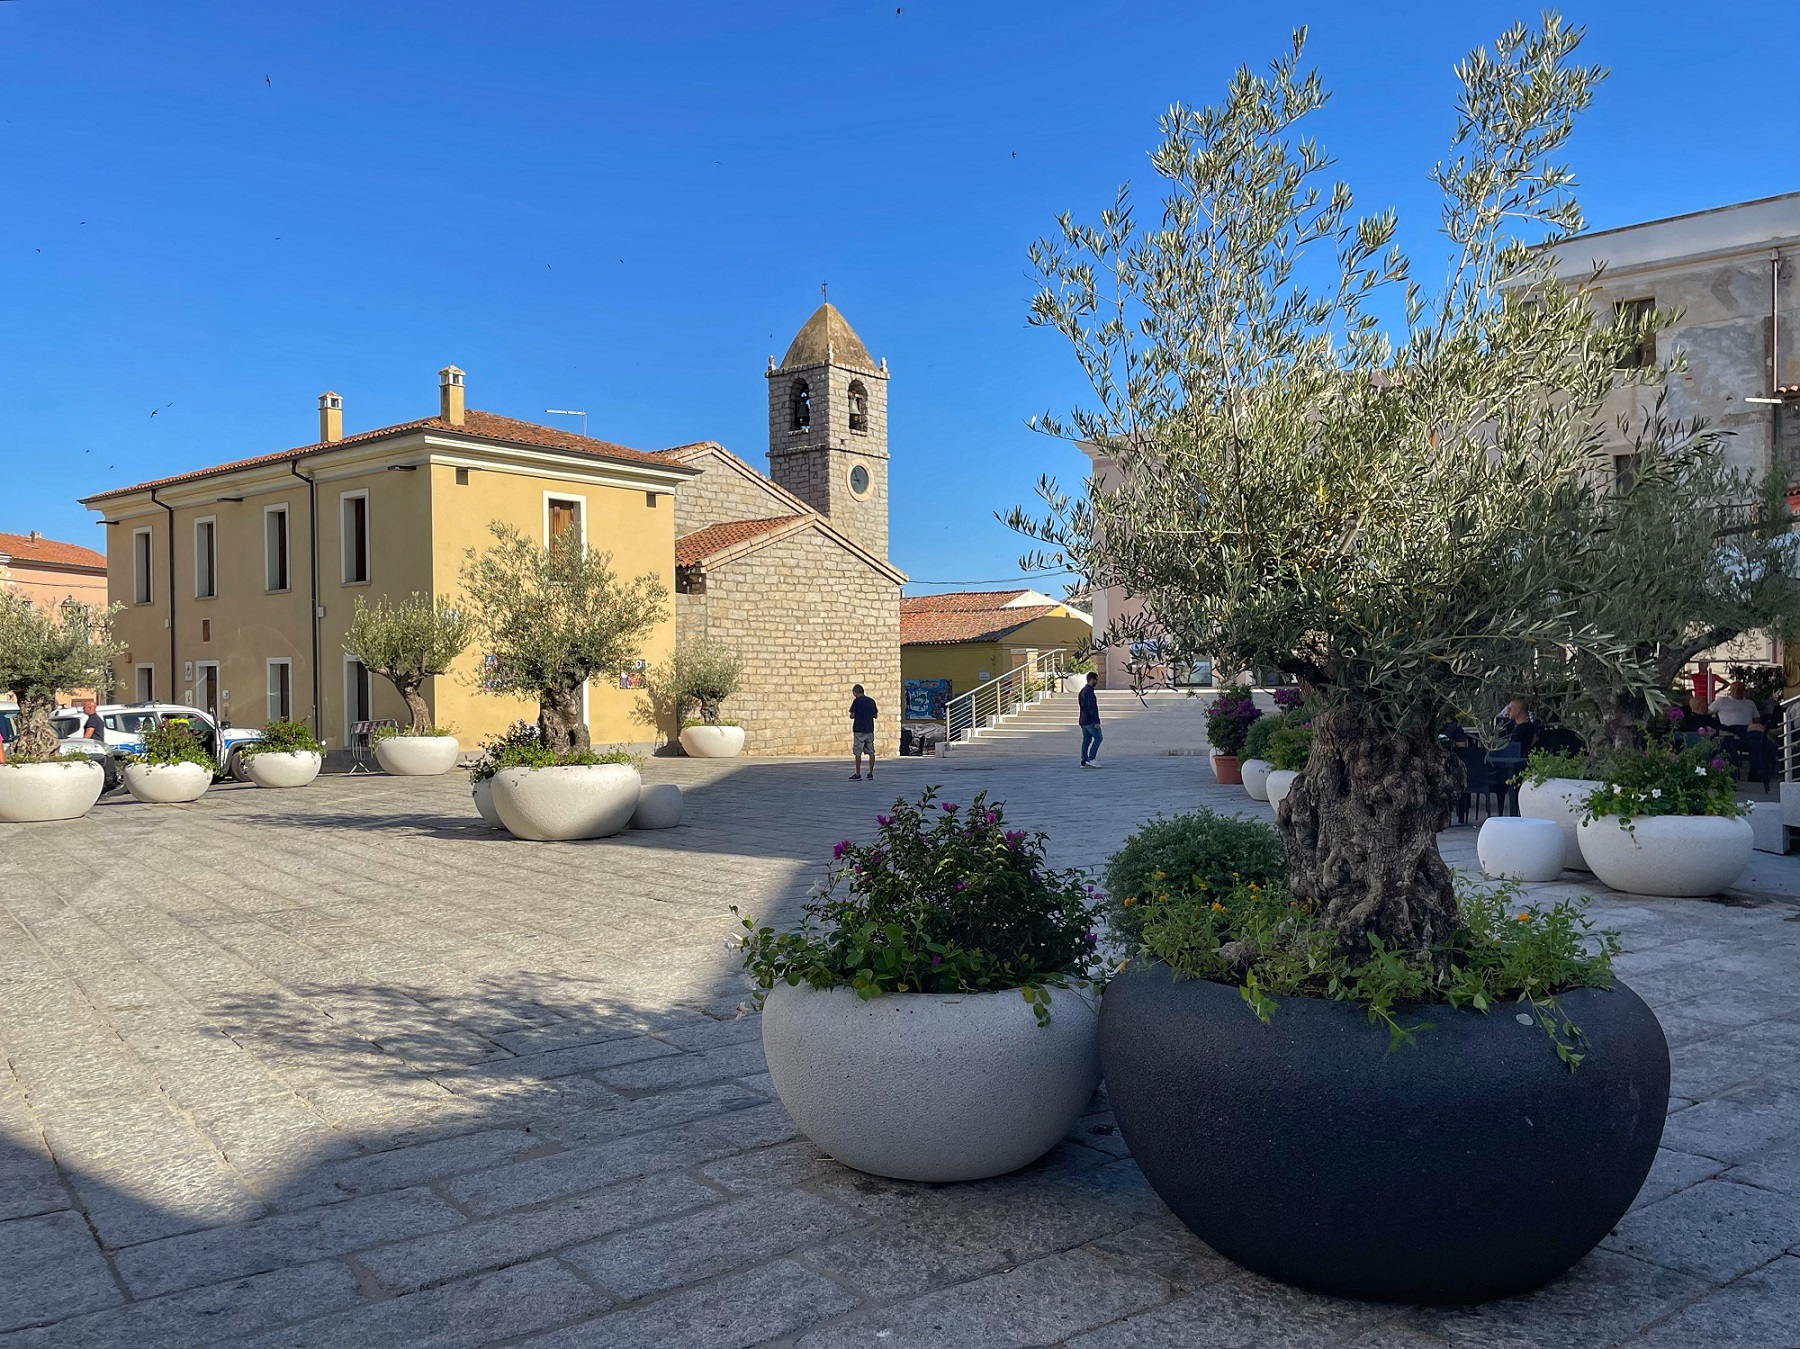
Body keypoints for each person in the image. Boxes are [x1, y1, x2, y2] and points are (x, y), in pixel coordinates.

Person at [848, 684, 879, 781]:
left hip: (859, 729)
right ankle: (870, 773)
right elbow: (875, 715)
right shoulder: (871, 701)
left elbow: (852, 715)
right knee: (871, 752)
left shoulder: (856, 701)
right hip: (869, 729)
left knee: (858, 752)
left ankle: (858, 773)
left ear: (855, 692)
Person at [1078, 672, 1102, 767]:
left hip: (1083, 719)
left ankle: (1083, 760)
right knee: (1098, 737)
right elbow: (1092, 707)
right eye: (1096, 679)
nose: (1097, 682)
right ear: (1092, 679)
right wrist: (1096, 721)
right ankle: (1091, 758)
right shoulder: (1089, 692)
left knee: (1087, 740)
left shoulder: (1082, 691)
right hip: (1089, 720)